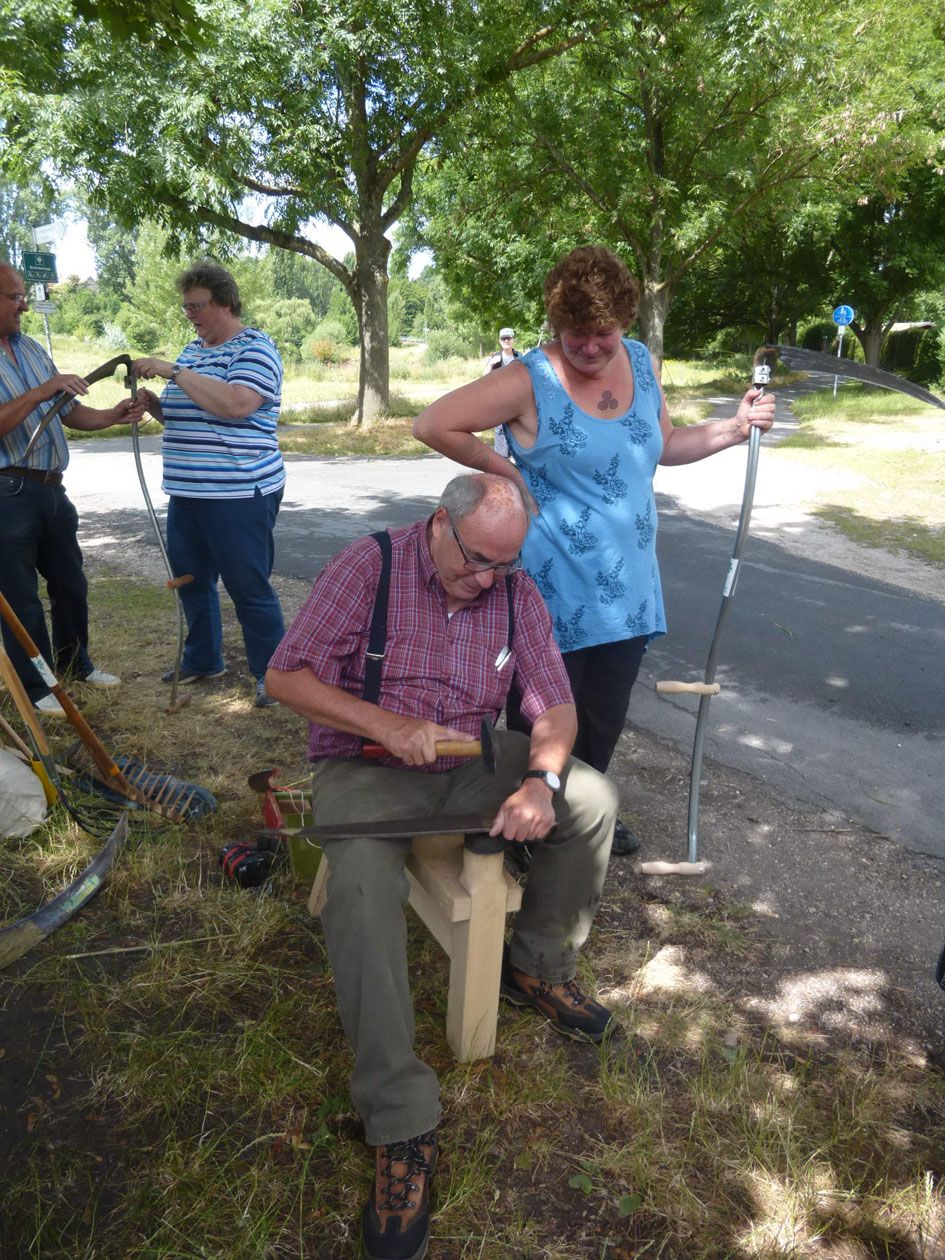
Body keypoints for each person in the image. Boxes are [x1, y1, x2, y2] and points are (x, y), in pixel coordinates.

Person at [265, 473, 618, 1260]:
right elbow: (285, 676)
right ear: (438, 525)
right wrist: (386, 724)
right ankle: (399, 1119)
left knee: (591, 798)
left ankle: (533, 965)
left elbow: (553, 707)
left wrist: (541, 780)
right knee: (361, 880)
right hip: (366, 760)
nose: (488, 578)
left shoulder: (513, 588)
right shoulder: (369, 566)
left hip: (468, 755)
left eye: (505, 562)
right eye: (475, 561)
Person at [413, 245, 776, 857]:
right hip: (549, 591)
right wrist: (506, 471)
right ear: (557, 325)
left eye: (602, 334)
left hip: (627, 588)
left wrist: (735, 429)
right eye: (576, 334)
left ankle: (578, 812)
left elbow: (663, 444)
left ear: (626, 323)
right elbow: (434, 423)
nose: (590, 348)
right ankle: (526, 823)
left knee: (603, 719)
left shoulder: (639, 360)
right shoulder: (530, 379)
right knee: (542, 720)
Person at [129, 260, 286, 708]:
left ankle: (272, 675)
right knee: (191, 581)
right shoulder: (194, 350)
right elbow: (191, 413)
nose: (191, 315)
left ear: (225, 303)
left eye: (197, 306)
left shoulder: (255, 348)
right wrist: (154, 404)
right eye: (186, 308)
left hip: (237, 494)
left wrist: (173, 372)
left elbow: (237, 405)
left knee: (248, 587)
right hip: (188, 493)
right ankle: (203, 658)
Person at [0, 261, 133, 716]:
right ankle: (38, 690)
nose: (23, 305)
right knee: (20, 599)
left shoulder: (33, 349)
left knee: (71, 584)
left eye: (21, 295)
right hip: (7, 493)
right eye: (13, 296)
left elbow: (70, 413)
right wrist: (40, 393)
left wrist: (113, 415)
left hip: (53, 489)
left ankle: (76, 665)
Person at [483, 327, 520, 458]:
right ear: (499, 341)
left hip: (517, 406)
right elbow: (484, 379)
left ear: (513, 340)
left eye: (509, 338)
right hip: (500, 406)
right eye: (503, 338)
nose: (506, 341)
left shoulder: (520, 358)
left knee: (518, 438)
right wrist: (491, 364)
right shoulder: (495, 359)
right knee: (501, 444)